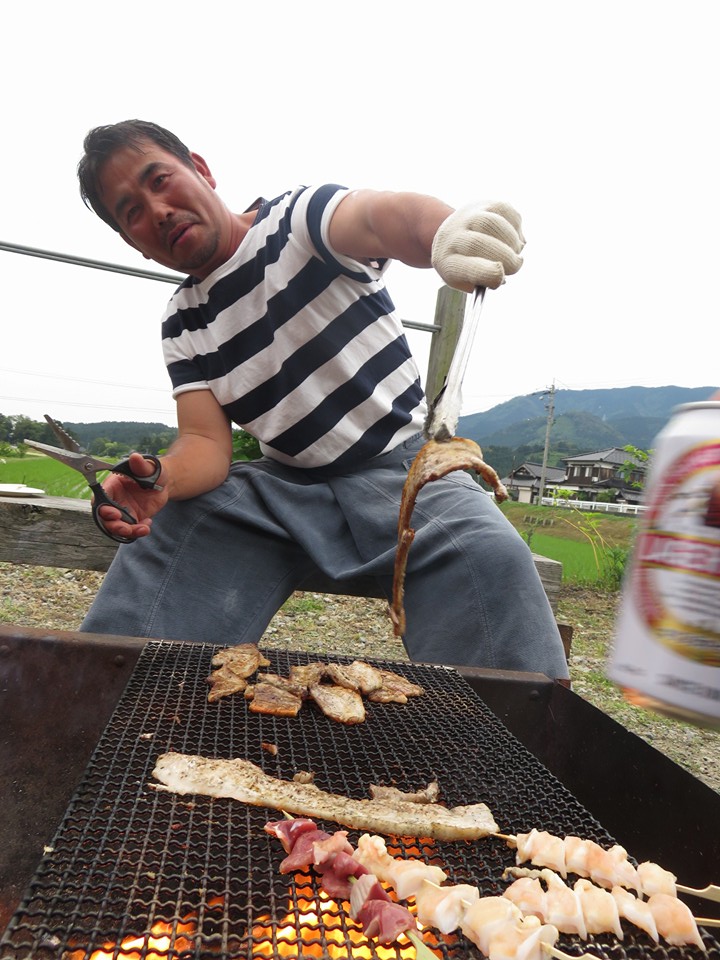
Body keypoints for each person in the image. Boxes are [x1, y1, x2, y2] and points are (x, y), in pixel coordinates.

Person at [76, 119, 569, 679]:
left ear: (201, 169)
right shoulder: (183, 323)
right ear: (131, 242)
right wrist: (158, 479)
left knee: (491, 554)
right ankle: (117, 697)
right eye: (132, 210)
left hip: (406, 472)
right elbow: (205, 444)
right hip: (284, 488)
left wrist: (444, 232)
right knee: (177, 524)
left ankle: (512, 736)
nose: (157, 209)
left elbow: (385, 219)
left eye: (160, 179)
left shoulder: (298, 220)